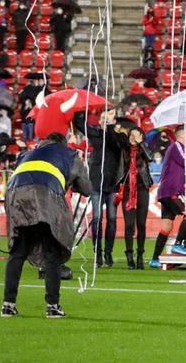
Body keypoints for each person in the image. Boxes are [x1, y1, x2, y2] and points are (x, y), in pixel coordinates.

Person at [0, 133, 92, 318]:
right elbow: (87, 189)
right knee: (52, 252)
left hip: (16, 196)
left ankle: (8, 305)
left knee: (18, 251)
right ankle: (53, 306)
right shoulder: (70, 154)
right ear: (63, 143)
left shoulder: (26, 154)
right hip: (46, 197)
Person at [149, 125, 186, 268]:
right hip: (171, 191)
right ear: (182, 135)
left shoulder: (179, 148)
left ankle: (154, 259)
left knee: (166, 226)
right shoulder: (177, 146)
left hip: (166, 191)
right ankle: (177, 244)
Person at [84, 111, 128, 267]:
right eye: (103, 119)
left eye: (107, 119)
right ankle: (98, 254)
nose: (104, 121)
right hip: (96, 183)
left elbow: (114, 143)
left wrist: (110, 126)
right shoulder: (95, 135)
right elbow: (81, 124)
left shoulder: (117, 137)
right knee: (97, 219)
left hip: (112, 184)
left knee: (112, 220)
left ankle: (108, 253)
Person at [119, 128, 152, 269]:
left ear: (141, 136)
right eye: (130, 134)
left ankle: (140, 255)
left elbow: (149, 157)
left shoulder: (144, 149)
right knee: (129, 224)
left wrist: (141, 144)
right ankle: (129, 256)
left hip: (142, 187)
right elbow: (120, 167)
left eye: (135, 134)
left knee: (142, 224)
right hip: (128, 189)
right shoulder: (124, 150)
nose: (132, 137)